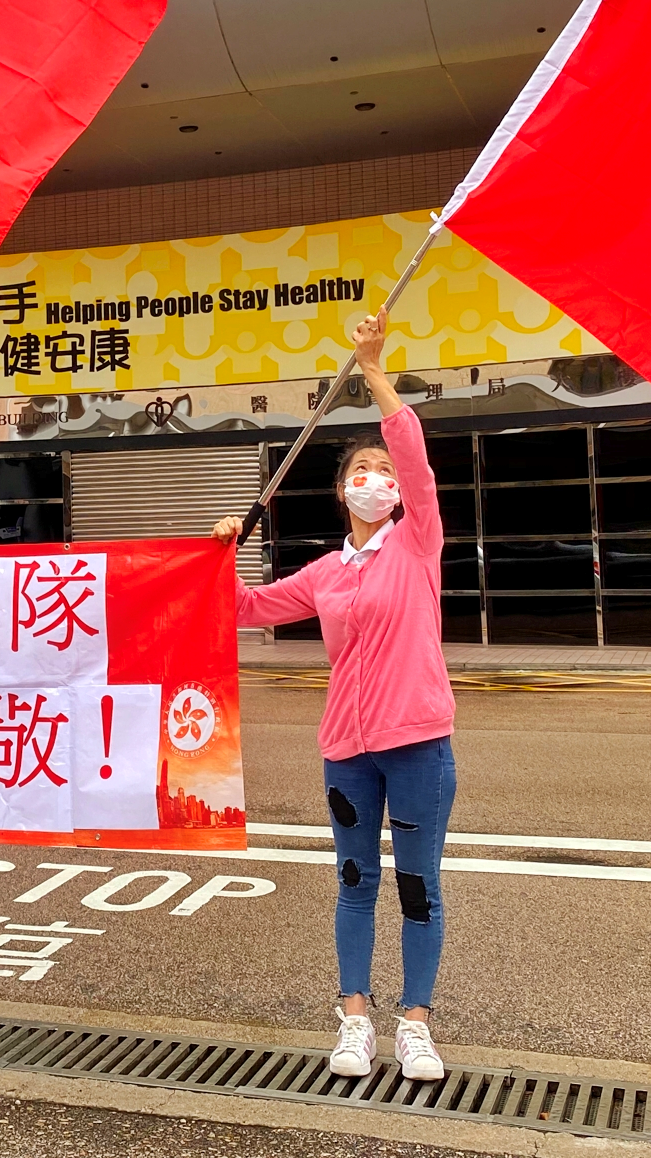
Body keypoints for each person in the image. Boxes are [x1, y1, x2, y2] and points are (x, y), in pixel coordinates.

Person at [213, 307, 456, 1082]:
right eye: (361, 473)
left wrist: (375, 370)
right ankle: (354, 1015)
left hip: (417, 744)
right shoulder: (326, 573)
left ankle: (414, 1022)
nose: (377, 480)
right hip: (347, 754)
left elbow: (415, 461)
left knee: (418, 885)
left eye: (384, 474)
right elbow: (248, 610)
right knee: (355, 884)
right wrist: (221, 553)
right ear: (340, 492)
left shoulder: (418, 542)